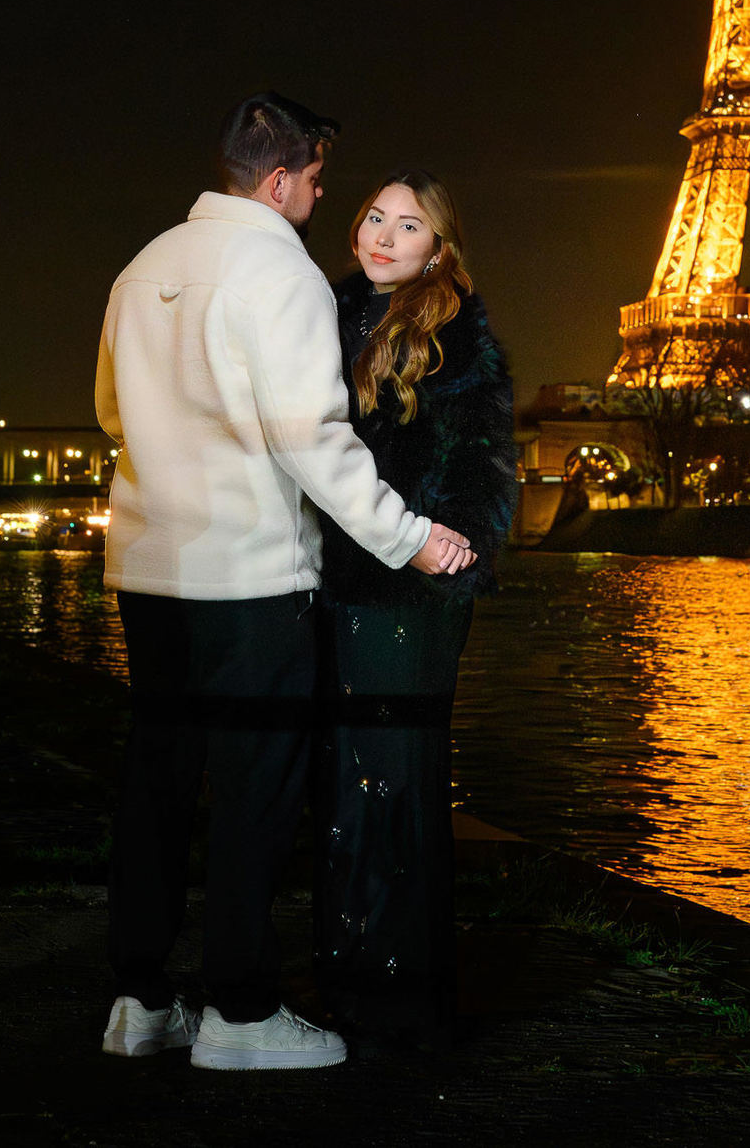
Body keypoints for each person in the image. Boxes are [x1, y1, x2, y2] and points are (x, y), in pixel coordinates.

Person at [95, 95, 474, 1073]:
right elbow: (317, 446)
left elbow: (109, 412)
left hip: (147, 569)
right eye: (314, 178)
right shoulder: (283, 275)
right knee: (254, 794)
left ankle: (140, 1002)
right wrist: (410, 540)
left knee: (158, 786)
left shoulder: (142, 269)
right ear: (281, 178)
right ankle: (241, 1012)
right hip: (251, 578)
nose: (318, 195)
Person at [313, 172, 515, 1054]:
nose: (384, 235)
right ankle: (355, 973)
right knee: (350, 783)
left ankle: (398, 994)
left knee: (392, 780)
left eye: (409, 225)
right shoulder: (333, 311)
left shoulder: (452, 331)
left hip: (410, 589)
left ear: (439, 247)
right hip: (342, 583)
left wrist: (457, 540)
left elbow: (481, 457)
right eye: (374, 217)